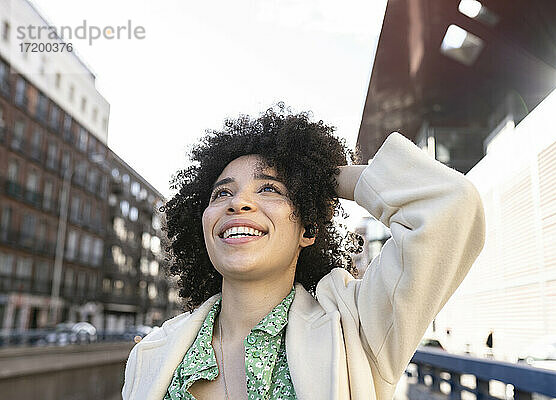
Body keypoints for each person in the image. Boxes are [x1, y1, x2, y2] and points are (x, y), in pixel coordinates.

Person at [121, 104, 486, 400]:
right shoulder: (149, 355)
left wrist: (321, 180)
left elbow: (451, 205)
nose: (239, 203)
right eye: (222, 193)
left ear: (308, 229)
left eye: (269, 190)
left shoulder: (357, 330)